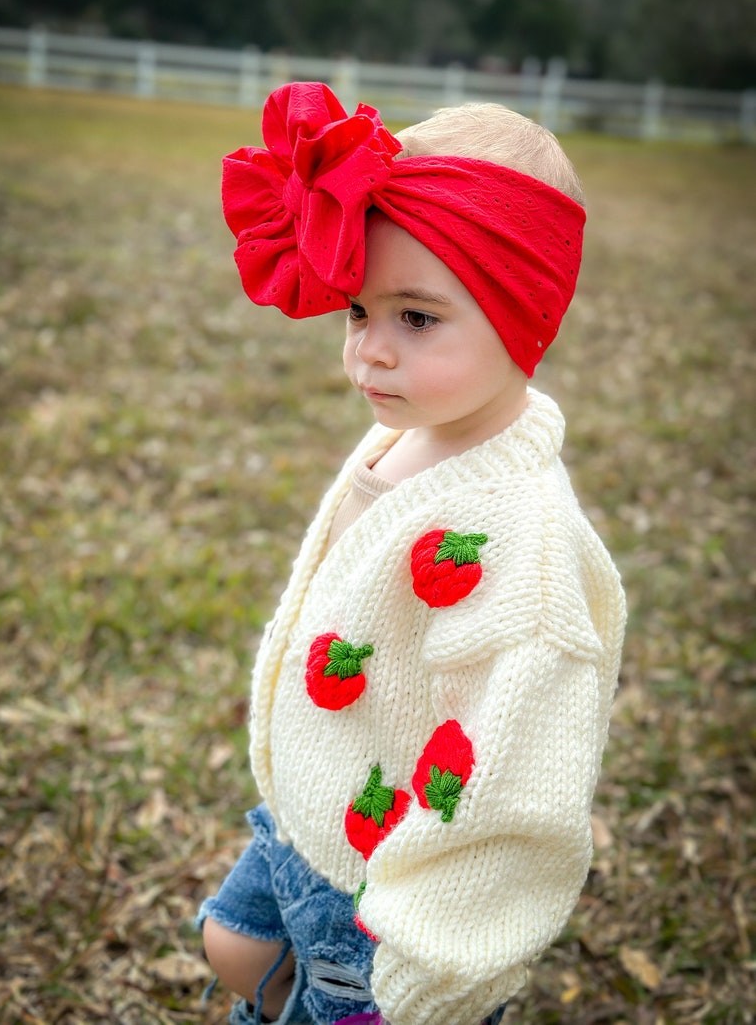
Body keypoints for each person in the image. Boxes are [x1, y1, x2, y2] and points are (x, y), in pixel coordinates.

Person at [196, 81, 626, 1025]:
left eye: (417, 318)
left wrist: (428, 970)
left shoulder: (527, 553)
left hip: (390, 900)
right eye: (359, 310)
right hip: (313, 815)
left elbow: (512, 792)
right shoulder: (411, 428)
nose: (369, 354)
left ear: (522, 316)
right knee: (231, 945)